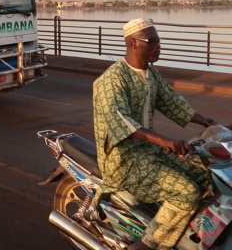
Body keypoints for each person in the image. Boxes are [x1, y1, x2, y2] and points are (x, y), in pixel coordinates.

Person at [93, 18, 221, 250]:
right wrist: (164, 140)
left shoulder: (150, 73)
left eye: (158, 40)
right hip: (124, 160)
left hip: (149, 150)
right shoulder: (111, 80)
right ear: (132, 43)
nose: (158, 45)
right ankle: (147, 244)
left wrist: (210, 123)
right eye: (151, 41)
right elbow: (121, 122)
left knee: (206, 172)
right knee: (186, 192)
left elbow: (172, 102)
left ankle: (182, 232)